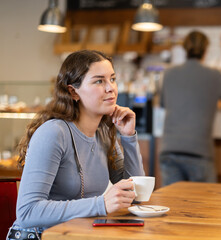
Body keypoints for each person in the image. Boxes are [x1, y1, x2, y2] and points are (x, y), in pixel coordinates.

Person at [7, 50, 145, 239]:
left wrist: (129, 137)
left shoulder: (104, 132)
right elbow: (27, 212)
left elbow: (135, 193)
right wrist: (100, 204)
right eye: (99, 81)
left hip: (76, 234)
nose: (110, 88)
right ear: (73, 91)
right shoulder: (54, 133)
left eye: (112, 79)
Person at [159, 30, 221, 186]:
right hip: (199, 152)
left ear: (184, 49)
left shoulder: (169, 74)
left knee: (172, 205)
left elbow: (163, 103)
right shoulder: (215, 75)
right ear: (206, 50)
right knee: (204, 205)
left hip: (169, 149)